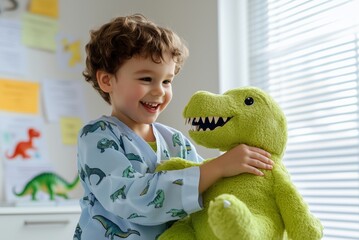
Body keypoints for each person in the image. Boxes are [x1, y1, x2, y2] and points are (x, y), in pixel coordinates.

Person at [74, 13, 273, 240]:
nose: (159, 91)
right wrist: (217, 167)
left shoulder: (175, 140)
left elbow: (207, 190)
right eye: (146, 79)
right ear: (107, 81)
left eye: (167, 81)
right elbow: (130, 198)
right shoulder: (97, 136)